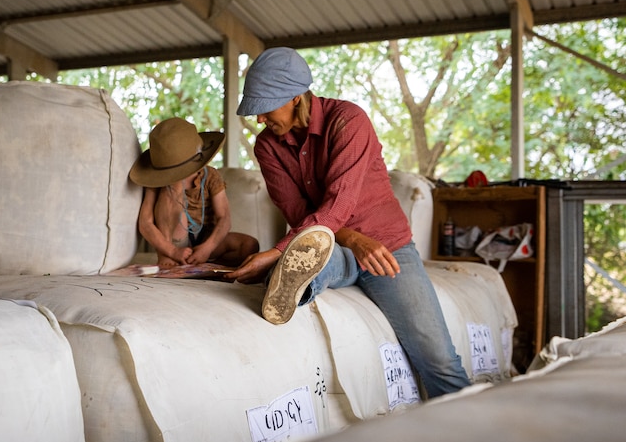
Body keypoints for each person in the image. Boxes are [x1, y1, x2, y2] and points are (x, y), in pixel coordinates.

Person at [227, 47, 470, 398]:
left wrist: (276, 251)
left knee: (439, 359)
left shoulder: (348, 120)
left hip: (387, 248)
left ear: (296, 97)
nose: (260, 119)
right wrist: (351, 240)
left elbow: (340, 202)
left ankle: (477, 435)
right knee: (316, 257)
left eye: (265, 107)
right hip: (333, 247)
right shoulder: (267, 146)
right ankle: (290, 284)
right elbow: (297, 212)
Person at [129, 117, 258, 268]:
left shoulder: (210, 176)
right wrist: (171, 251)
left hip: (205, 238)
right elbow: (145, 223)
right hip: (173, 241)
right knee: (172, 187)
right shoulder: (157, 182)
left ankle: (200, 264)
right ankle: (169, 258)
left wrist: (207, 248)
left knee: (249, 246)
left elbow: (224, 218)